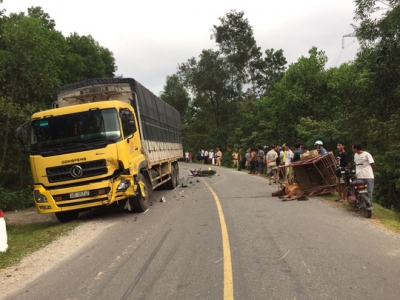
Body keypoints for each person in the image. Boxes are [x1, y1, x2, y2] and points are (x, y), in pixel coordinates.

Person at [352, 143, 375, 208]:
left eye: (353, 148)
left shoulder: (367, 154)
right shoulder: (355, 155)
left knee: (369, 191)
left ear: (356, 149)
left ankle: (369, 205)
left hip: (368, 176)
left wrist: (370, 171)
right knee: (358, 191)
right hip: (359, 176)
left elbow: (373, 164)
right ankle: (359, 204)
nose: (352, 150)